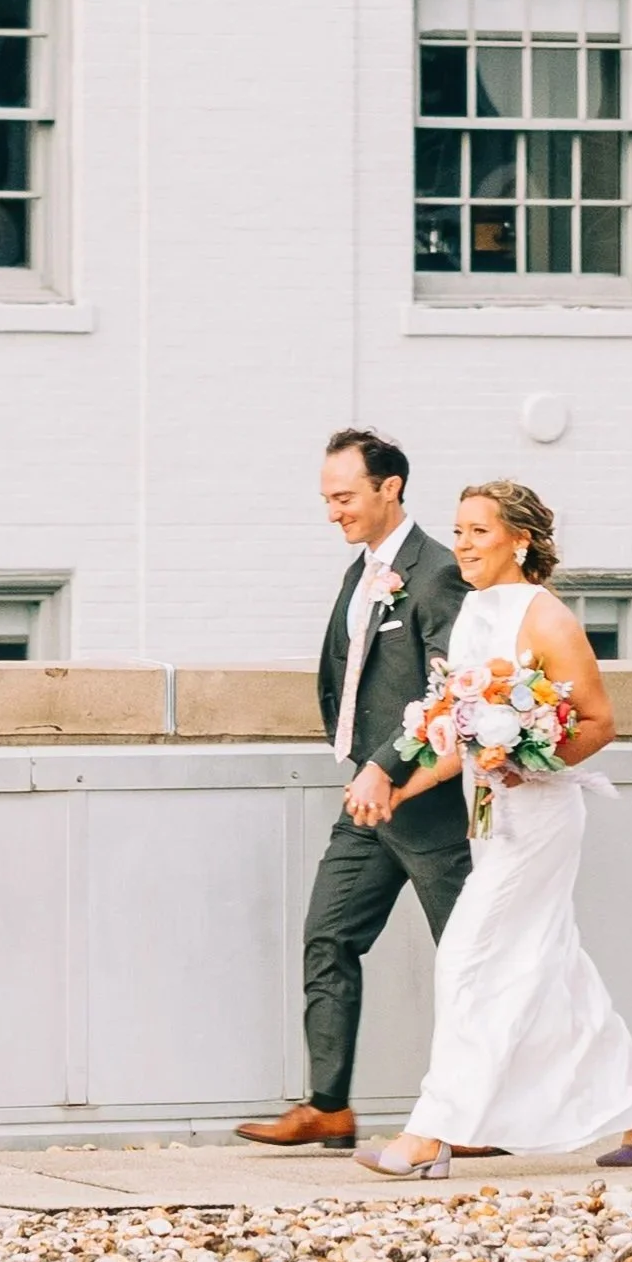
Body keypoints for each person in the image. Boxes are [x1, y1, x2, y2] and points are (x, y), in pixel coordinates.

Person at [355, 477, 632, 1180]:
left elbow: (598, 723)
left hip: (537, 817)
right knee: (553, 965)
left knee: (468, 958)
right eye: (459, 530)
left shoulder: (545, 617)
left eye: (478, 531)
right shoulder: (474, 612)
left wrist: (529, 757)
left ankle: (431, 1131)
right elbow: (461, 739)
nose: (463, 544)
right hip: (488, 815)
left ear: (519, 540)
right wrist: (400, 786)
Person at [234, 428, 470, 1151]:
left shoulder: (435, 573)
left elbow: (446, 692)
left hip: (426, 808)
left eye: (343, 497)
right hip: (367, 806)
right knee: (327, 936)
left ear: (388, 488)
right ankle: (328, 1106)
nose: (331, 512)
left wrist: (386, 765)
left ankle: (478, 1113)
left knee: (468, 962)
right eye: (326, 498)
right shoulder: (363, 570)